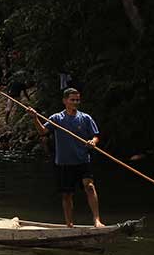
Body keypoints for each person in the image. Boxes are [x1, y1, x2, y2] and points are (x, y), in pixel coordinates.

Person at [32, 87, 104, 227]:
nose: (76, 102)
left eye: (77, 100)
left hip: (82, 160)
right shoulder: (57, 118)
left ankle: (97, 220)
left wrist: (93, 142)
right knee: (66, 195)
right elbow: (42, 131)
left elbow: (95, 136)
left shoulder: (85, 118)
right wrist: (34, 118)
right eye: (72, 100)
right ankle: (69, 224)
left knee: (89, 186)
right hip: (64, 162)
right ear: (65, 101)